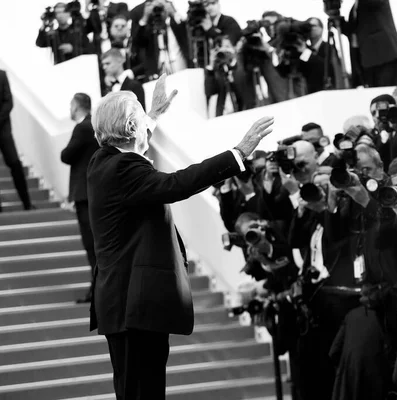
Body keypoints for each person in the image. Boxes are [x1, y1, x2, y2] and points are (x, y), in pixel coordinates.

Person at [87, 73, 274, 400]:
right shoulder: (124, 169)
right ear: (132, 128)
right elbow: (177, 185)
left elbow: (136, 141)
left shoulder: (102, 161)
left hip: (126, 304)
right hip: (133, 305)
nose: (147, 126)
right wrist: (237, 153)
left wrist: (154, 115)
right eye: (141, 118)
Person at [60, 93, 99, 304]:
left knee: (90, 243)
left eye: (70, 104)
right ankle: (97, 289)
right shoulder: (95, 126)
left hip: (85, 195)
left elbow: (66, 155)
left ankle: (97, 290)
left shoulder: (82, 127)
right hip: (92, 193)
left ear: (76, 107)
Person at [338, 0, 397, 87]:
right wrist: (337, 18)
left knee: (387, 95)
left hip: (385, 56)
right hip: (367, 60)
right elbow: (352, 30)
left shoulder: (367, 3)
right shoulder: (355, 7)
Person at [0, 70, 33, 211]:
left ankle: (27, 203)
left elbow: (9, 102)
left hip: (3, 129)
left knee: (15, 164)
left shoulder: (1, 75)